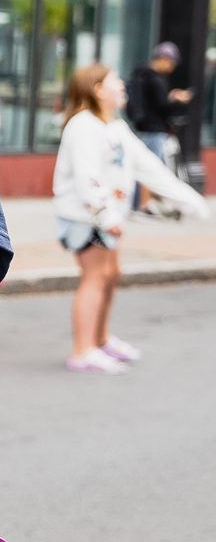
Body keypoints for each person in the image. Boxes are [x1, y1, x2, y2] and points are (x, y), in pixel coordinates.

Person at [54, 62, 209, 374]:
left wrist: (190, 200)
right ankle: (82, 350)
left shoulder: (115, 126)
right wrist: (104, 213)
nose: (123, 86)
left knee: (111, 276)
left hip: (109, 217)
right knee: (95, 279)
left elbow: (148, 167)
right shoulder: (83, 126)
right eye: (115, 82)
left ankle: (100, 340)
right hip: (88, 218)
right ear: (97, 89)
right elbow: (88, 178)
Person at [125, 41, 190, 211]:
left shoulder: (140, 75)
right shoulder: (155, 80)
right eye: (171, 62)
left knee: (143, 167)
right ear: (163, 59)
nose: (172, 66)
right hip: (154, 130)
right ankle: (143, 205)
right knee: (151, 168)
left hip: (140, 127)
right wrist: (175, 99)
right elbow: (162, 106)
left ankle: (139, 203)